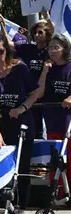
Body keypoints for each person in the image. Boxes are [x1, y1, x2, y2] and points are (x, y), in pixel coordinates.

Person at [0, 32, 45, 210]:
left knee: (21, 168)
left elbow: (35, 93)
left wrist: (22, 108)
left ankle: (20, 206)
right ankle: (0, 204)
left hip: (21, 124)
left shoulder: (20, 68)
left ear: (6, 51)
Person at [12, 19, 55, 139]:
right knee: (34, 126)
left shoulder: (51, 50)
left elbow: (54, 32)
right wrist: (2, 26)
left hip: (48, 93)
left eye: (40, 32)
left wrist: (47, 17)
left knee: (51, 126)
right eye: (35, 32)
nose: (36, 35)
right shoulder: (28, 49)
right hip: (31, 93)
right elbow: (9, 45)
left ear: (47, 34)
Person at [41, 34, 71, 201]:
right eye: (50, 47)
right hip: (52, 119)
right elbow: (40, 91)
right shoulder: (48, 68)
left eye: (56, 48)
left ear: (64, 49)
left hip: (68, 120)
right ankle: (58, 192)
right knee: (56, 157)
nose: (52, 51)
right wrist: (45, 72)